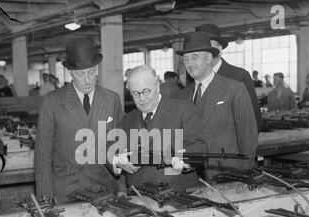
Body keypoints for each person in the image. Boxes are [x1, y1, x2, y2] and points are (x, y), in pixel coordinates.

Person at [35, 39, 124, 203]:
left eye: (91, 72)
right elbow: (43, 157)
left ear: (97, 69)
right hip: (65, 191)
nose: (87, 79)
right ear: (70, 72)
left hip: (103, 190)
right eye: (80, 74)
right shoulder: (52, 101)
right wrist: (45, 201)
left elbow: (117, 145)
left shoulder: (112, 99)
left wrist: (122, 190)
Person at [176, 31, 258, 180]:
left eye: (195, 57)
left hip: (228, 174)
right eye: (186, 59)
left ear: (208, 58)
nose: (189, 63)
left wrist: (244, 175)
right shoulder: (182, 96)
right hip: (191, 178)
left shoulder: (234, 89)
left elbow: (247, 136)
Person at [112, 66, 207, 190]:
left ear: (157, 85)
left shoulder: (183, 110)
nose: (142, 99)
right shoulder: (127, 120)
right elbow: (111, 146)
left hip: (179, 197)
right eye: (135, 93)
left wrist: (186, 160)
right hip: (139, 198)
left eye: (146, 91)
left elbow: (199, 146)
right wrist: (117, 160)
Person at [194, 24, 262, 131]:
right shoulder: (193, 79)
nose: (205, 51)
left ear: (220, 49)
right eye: (199, 48)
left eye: (209, 45)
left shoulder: (239, 76)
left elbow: (254, 120)